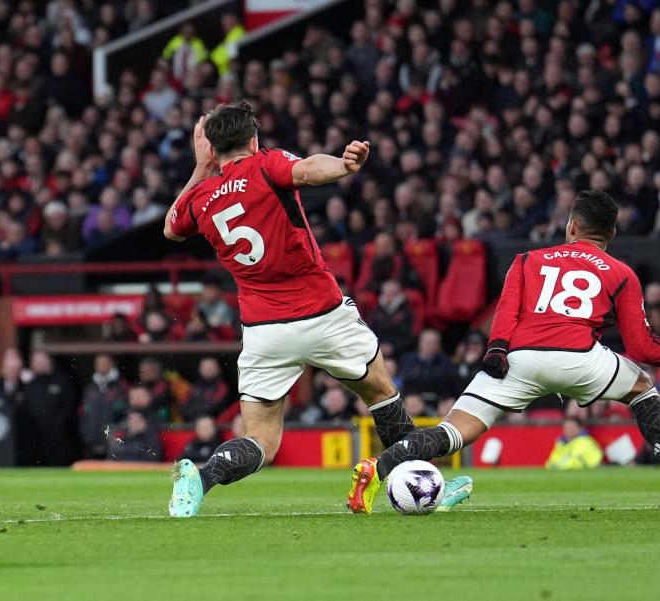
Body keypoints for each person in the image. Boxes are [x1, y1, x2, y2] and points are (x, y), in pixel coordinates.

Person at [162, 101, 469, 517]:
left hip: (264, 331)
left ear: (212, 150)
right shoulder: (266, 164)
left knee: (261, 441)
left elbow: (170, 226)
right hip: (322, 314)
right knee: (380, 393)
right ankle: (417, 480)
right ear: (254, 140)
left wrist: (202, 170)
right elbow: (306, 170)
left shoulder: (201, 197)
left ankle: (201, 479)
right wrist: (344, 165)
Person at [349, 190, 660, 513]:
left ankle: (376, 468)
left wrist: (496, 349)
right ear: (613, 234)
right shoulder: (621, 273)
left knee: (454, 430)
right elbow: (642, 347)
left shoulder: (528, 259)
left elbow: (506, 310)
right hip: (580, 358)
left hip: (519, 359)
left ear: (571, 226)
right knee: (643, 388)